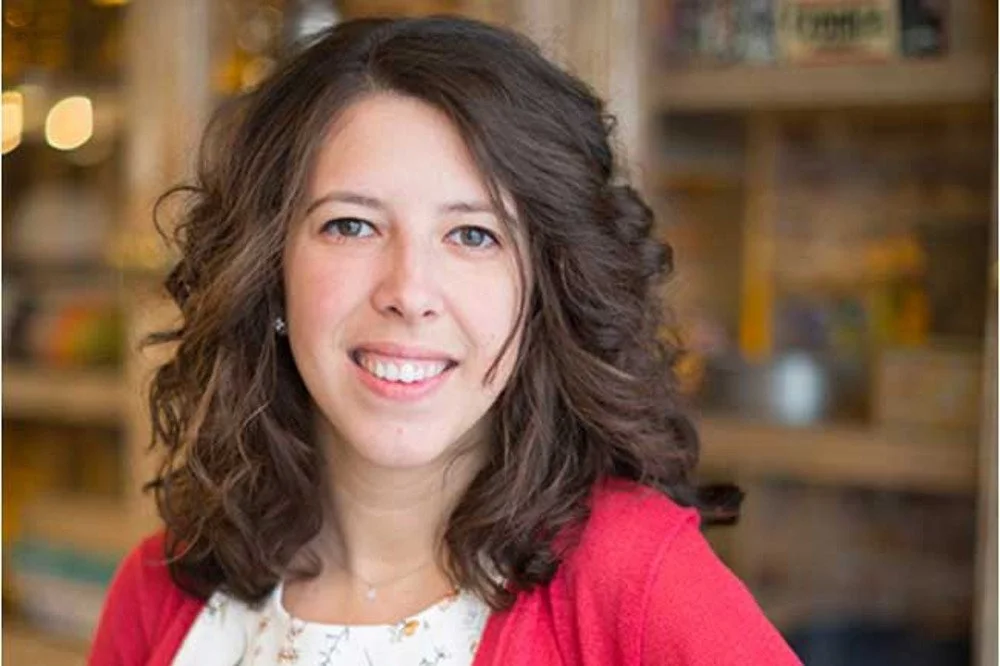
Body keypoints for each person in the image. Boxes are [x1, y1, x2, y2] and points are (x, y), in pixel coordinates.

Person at [89, 15, 801, 666]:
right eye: (352, 225)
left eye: (473, 235)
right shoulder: (161, 590)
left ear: (543, 292)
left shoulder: (634, 579)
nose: (409, 291)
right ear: (269, 273)